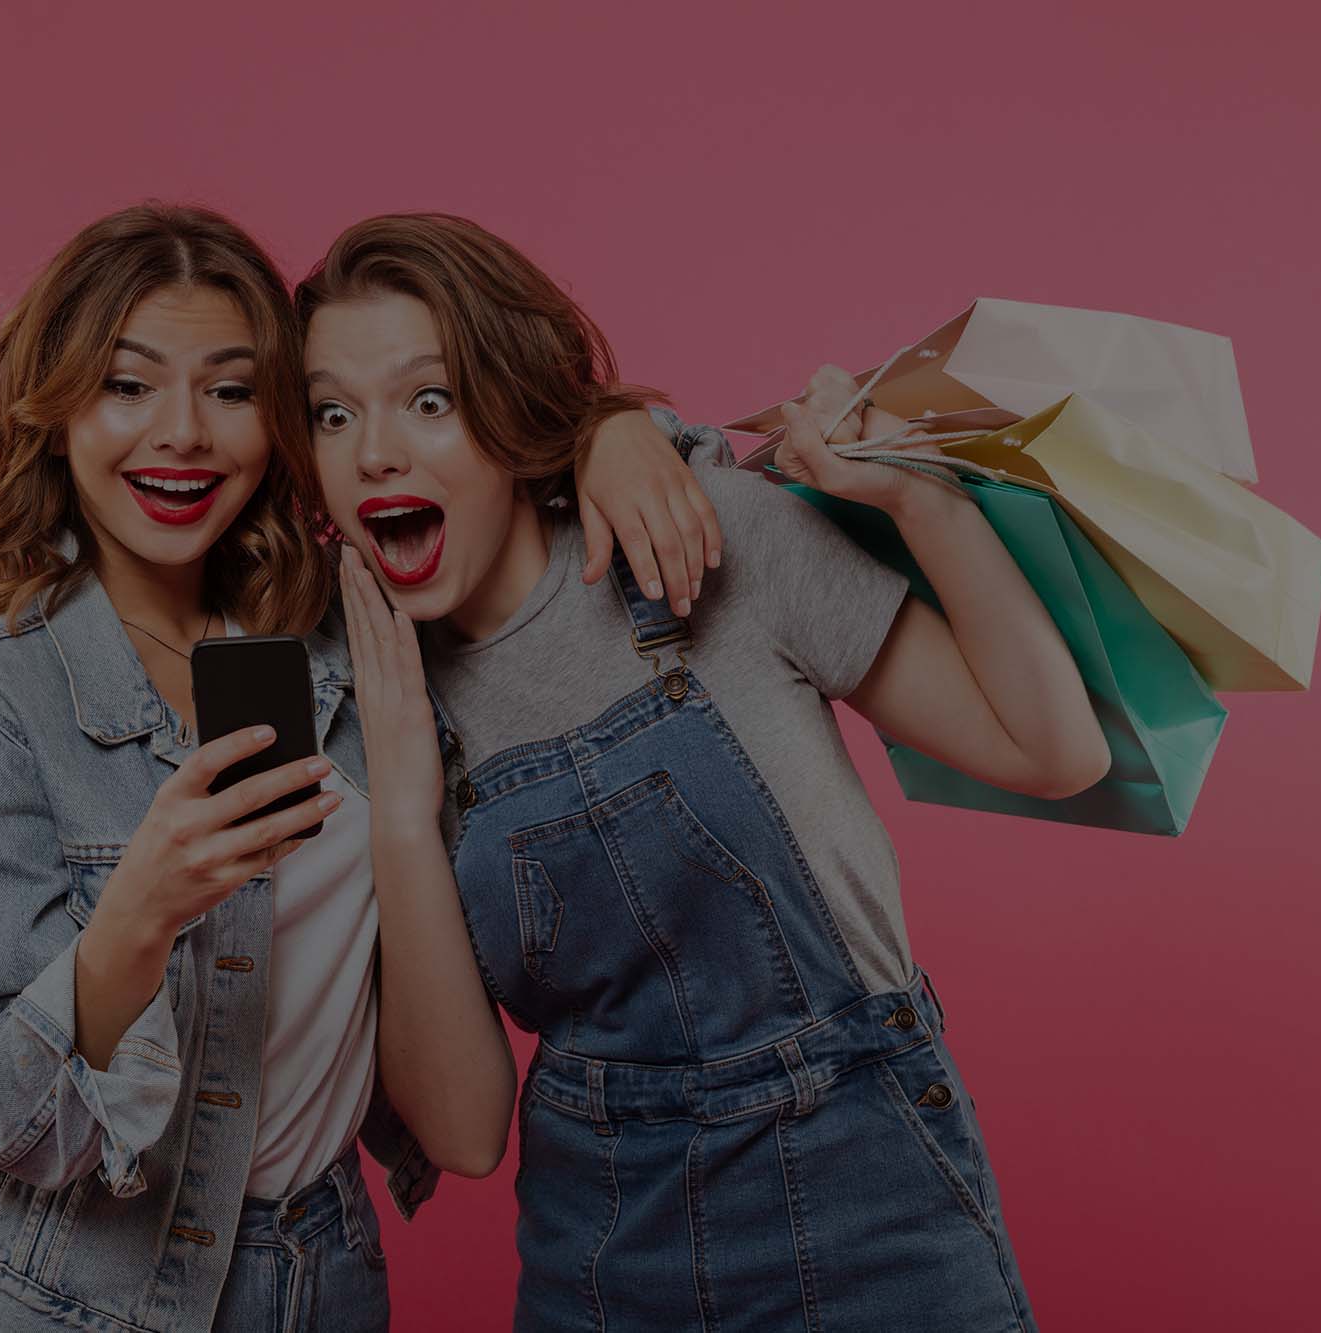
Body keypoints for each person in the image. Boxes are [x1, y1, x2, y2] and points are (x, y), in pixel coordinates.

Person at [0, 202, 714, 1332]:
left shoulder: (356, 631)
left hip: (319, 1277)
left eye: (230, 391)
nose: (180, 433)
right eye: (129, 386)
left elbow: (494, 488)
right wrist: (137, 915)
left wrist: (617, 430)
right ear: (57, 412)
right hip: (82, 1300)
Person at [299, 212, 1112, 1331]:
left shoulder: (703, 537)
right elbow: (463, 1134)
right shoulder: (364, 696)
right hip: (603, 1253)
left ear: (510, 407)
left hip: (874, 1211)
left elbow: (1052, 751)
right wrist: (400, 807)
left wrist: (920, 499)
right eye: (332, 412)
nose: (373, 451)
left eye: (426, 400)